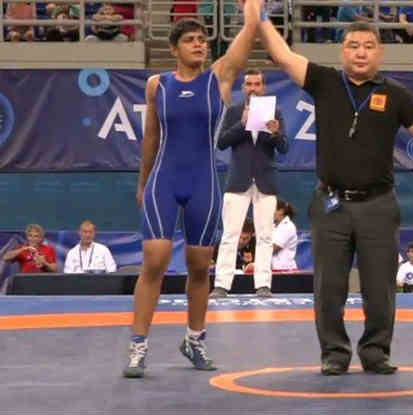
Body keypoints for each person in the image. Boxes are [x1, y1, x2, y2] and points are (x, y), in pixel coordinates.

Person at [257, 14, 413, 375]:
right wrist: (259, 17)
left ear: (380, 53)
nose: (360, 53)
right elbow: (284, 56)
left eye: (369, 46)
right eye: (353, 45)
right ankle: (334, 353)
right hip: (331, 204)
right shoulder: (324, 81)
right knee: (328, 286)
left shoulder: (396, 94)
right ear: (342, 51)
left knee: (380, 287)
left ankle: (375, 351)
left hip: (378, 205)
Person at [123, 1, 263, 378]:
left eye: (202, 39)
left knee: (200, 267)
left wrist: (253, 9)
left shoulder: (219, 80)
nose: (199, 44)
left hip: (203, 183)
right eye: (190, 40)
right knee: (155, 259)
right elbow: (151, 137)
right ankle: (138, 344)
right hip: (164, 181)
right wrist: (143, 183)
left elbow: (248, 35)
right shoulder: (158, 85)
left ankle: (194, 339)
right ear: (174, 49)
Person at [209, 68, 288, 299]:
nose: (253, 88)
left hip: (265, 180)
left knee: (265, 236)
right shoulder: (234, 111)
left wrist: (275, 133)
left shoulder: (275, 112)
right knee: (230, 234)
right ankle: (222, 285)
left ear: (263, 87)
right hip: (238, 180)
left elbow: (284, 148)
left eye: (257, 84)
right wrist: (242, 123)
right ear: (243, 88)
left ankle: (263, 284)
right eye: (249, 84)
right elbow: (222, 142)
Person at [271, 199, 298, 271]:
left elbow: (273, 248)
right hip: (274, 269)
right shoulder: (273, 226)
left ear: (281, 211)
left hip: (286, 270)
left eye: (272, 209)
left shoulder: (288, 226)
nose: (269, 212)